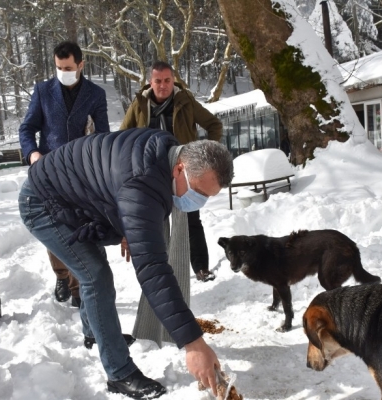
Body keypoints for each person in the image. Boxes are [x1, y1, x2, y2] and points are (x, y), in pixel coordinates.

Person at [18, 128, 233, 398]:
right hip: (41, 203)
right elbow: (153, 271)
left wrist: (126, 226)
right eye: (199, 192)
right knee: (95, 276)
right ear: (180, 169)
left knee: (92, 271)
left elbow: (114, 185)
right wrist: (193, 344)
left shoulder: (163, 154)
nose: (199, 202)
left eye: (207, 197)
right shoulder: (142, 184)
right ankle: (119, 373)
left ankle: (95, 333)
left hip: (70, 194)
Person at [19, 40, 109, 308]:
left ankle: (81, 284)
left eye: (68, 67)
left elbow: (103, 136)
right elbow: (26, 129)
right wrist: (33, 154)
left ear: (81, 65)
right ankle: (62, 276)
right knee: (56, 223)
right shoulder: (43, 91)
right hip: (48, 172)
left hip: (81, 171)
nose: (63, 71)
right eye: (58, 67)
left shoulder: (95, 94)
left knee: (80, 223)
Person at [120, 61, 222, 283]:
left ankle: (201, 268)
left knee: (191, 219)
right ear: (150, 82)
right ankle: (162, 272)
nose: (163, 85)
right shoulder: (139, 104)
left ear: (172, 80)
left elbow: (214, 124)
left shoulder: (185, 101)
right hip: (151, 173)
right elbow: (120, 138)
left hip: (184, 170)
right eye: (158, 81)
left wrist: (205, 156)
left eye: (167, 80)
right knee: (156, 222)